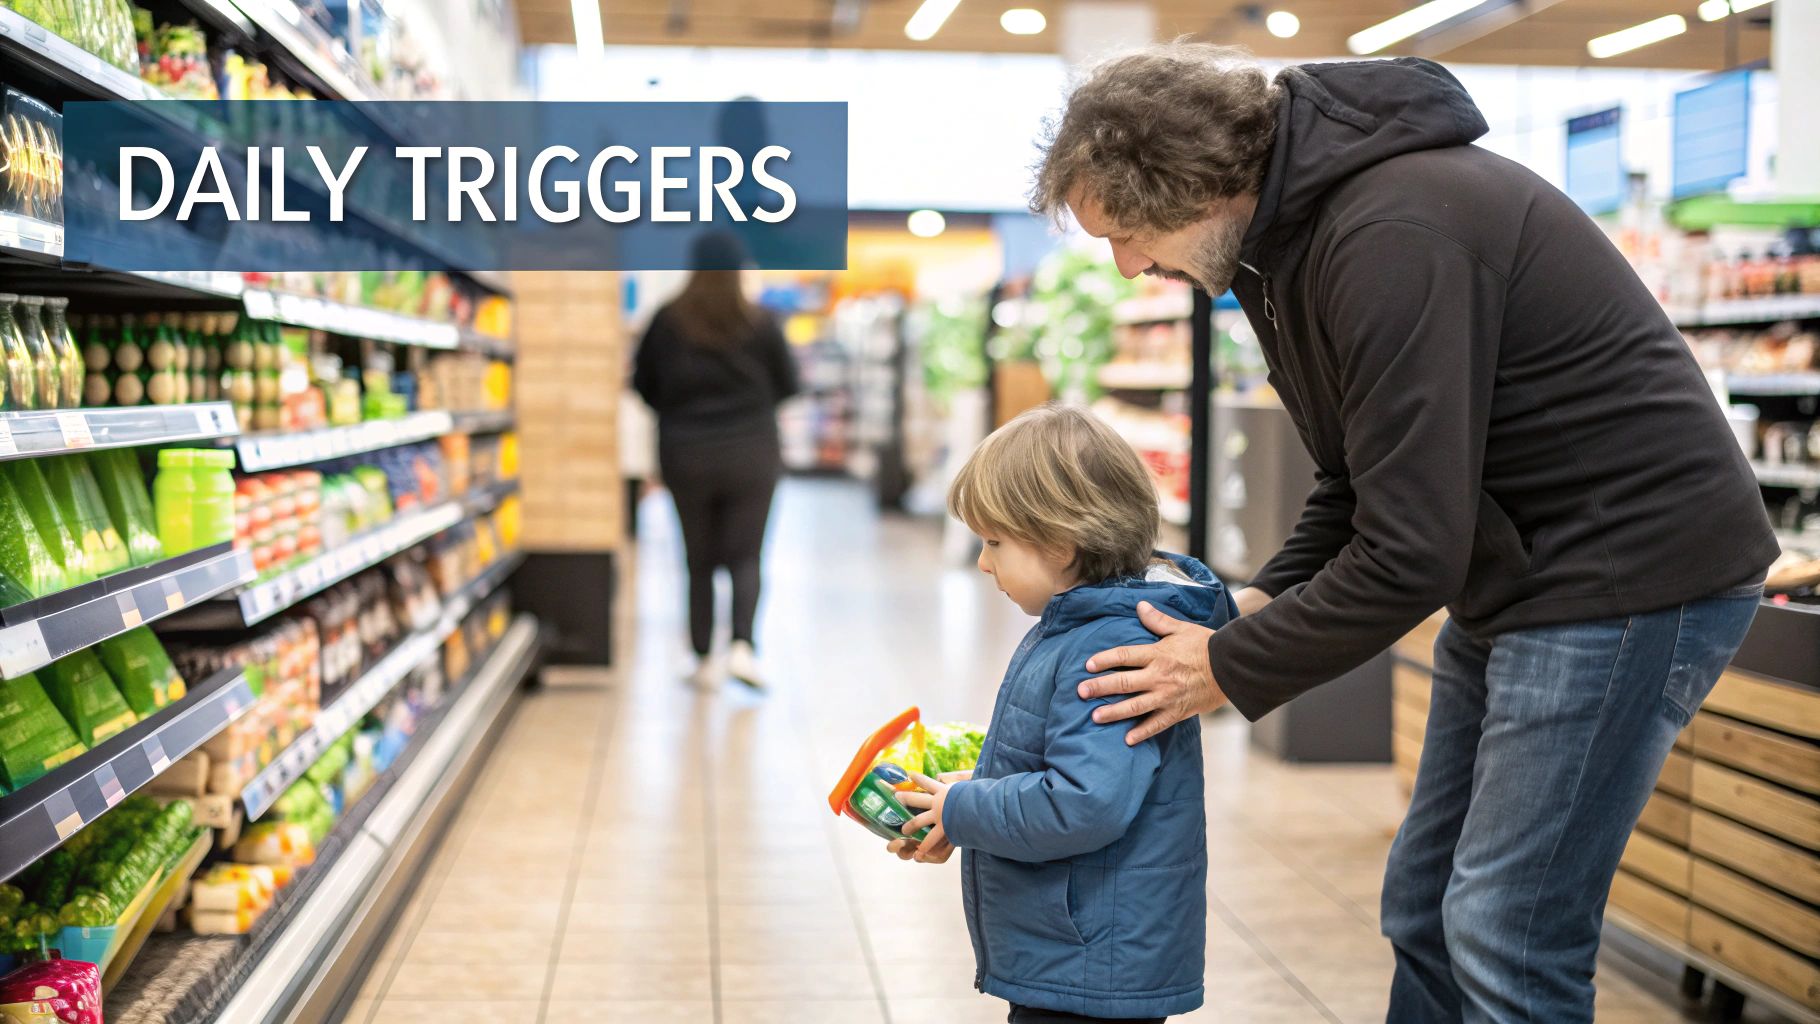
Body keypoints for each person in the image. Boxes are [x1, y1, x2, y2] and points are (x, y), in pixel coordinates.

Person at [1031, 45, 1776, 1023]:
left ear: (1194, 185)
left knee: (1506, 925)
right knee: (1424, 906)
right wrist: (1257, 601)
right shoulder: (1277, 249)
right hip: (1523, 568)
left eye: (1125, 233)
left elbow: (1411, 547)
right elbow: (1352, 482)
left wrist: (1228, 662)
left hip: (1626, 573)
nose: (1129, 266)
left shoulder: (1390, 230)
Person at [887, 404, 1237, 1024]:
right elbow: (1080, 774)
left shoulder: (1106, 651)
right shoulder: (1085, 627)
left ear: (1059, 543)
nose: (982, 561)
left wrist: (966, 810)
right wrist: (969, 798)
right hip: (1085, 948)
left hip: (1090, 961)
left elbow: (1085, 804)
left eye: (994, 541)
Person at [632, 233, 799, 690]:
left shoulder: (667, 321)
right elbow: (789, 384)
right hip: (752, 452)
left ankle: (703, 657)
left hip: (686, 454)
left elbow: (643, 385)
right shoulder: (760, 321)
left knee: (698, 557)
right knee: (746, 555)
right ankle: (743, 648)